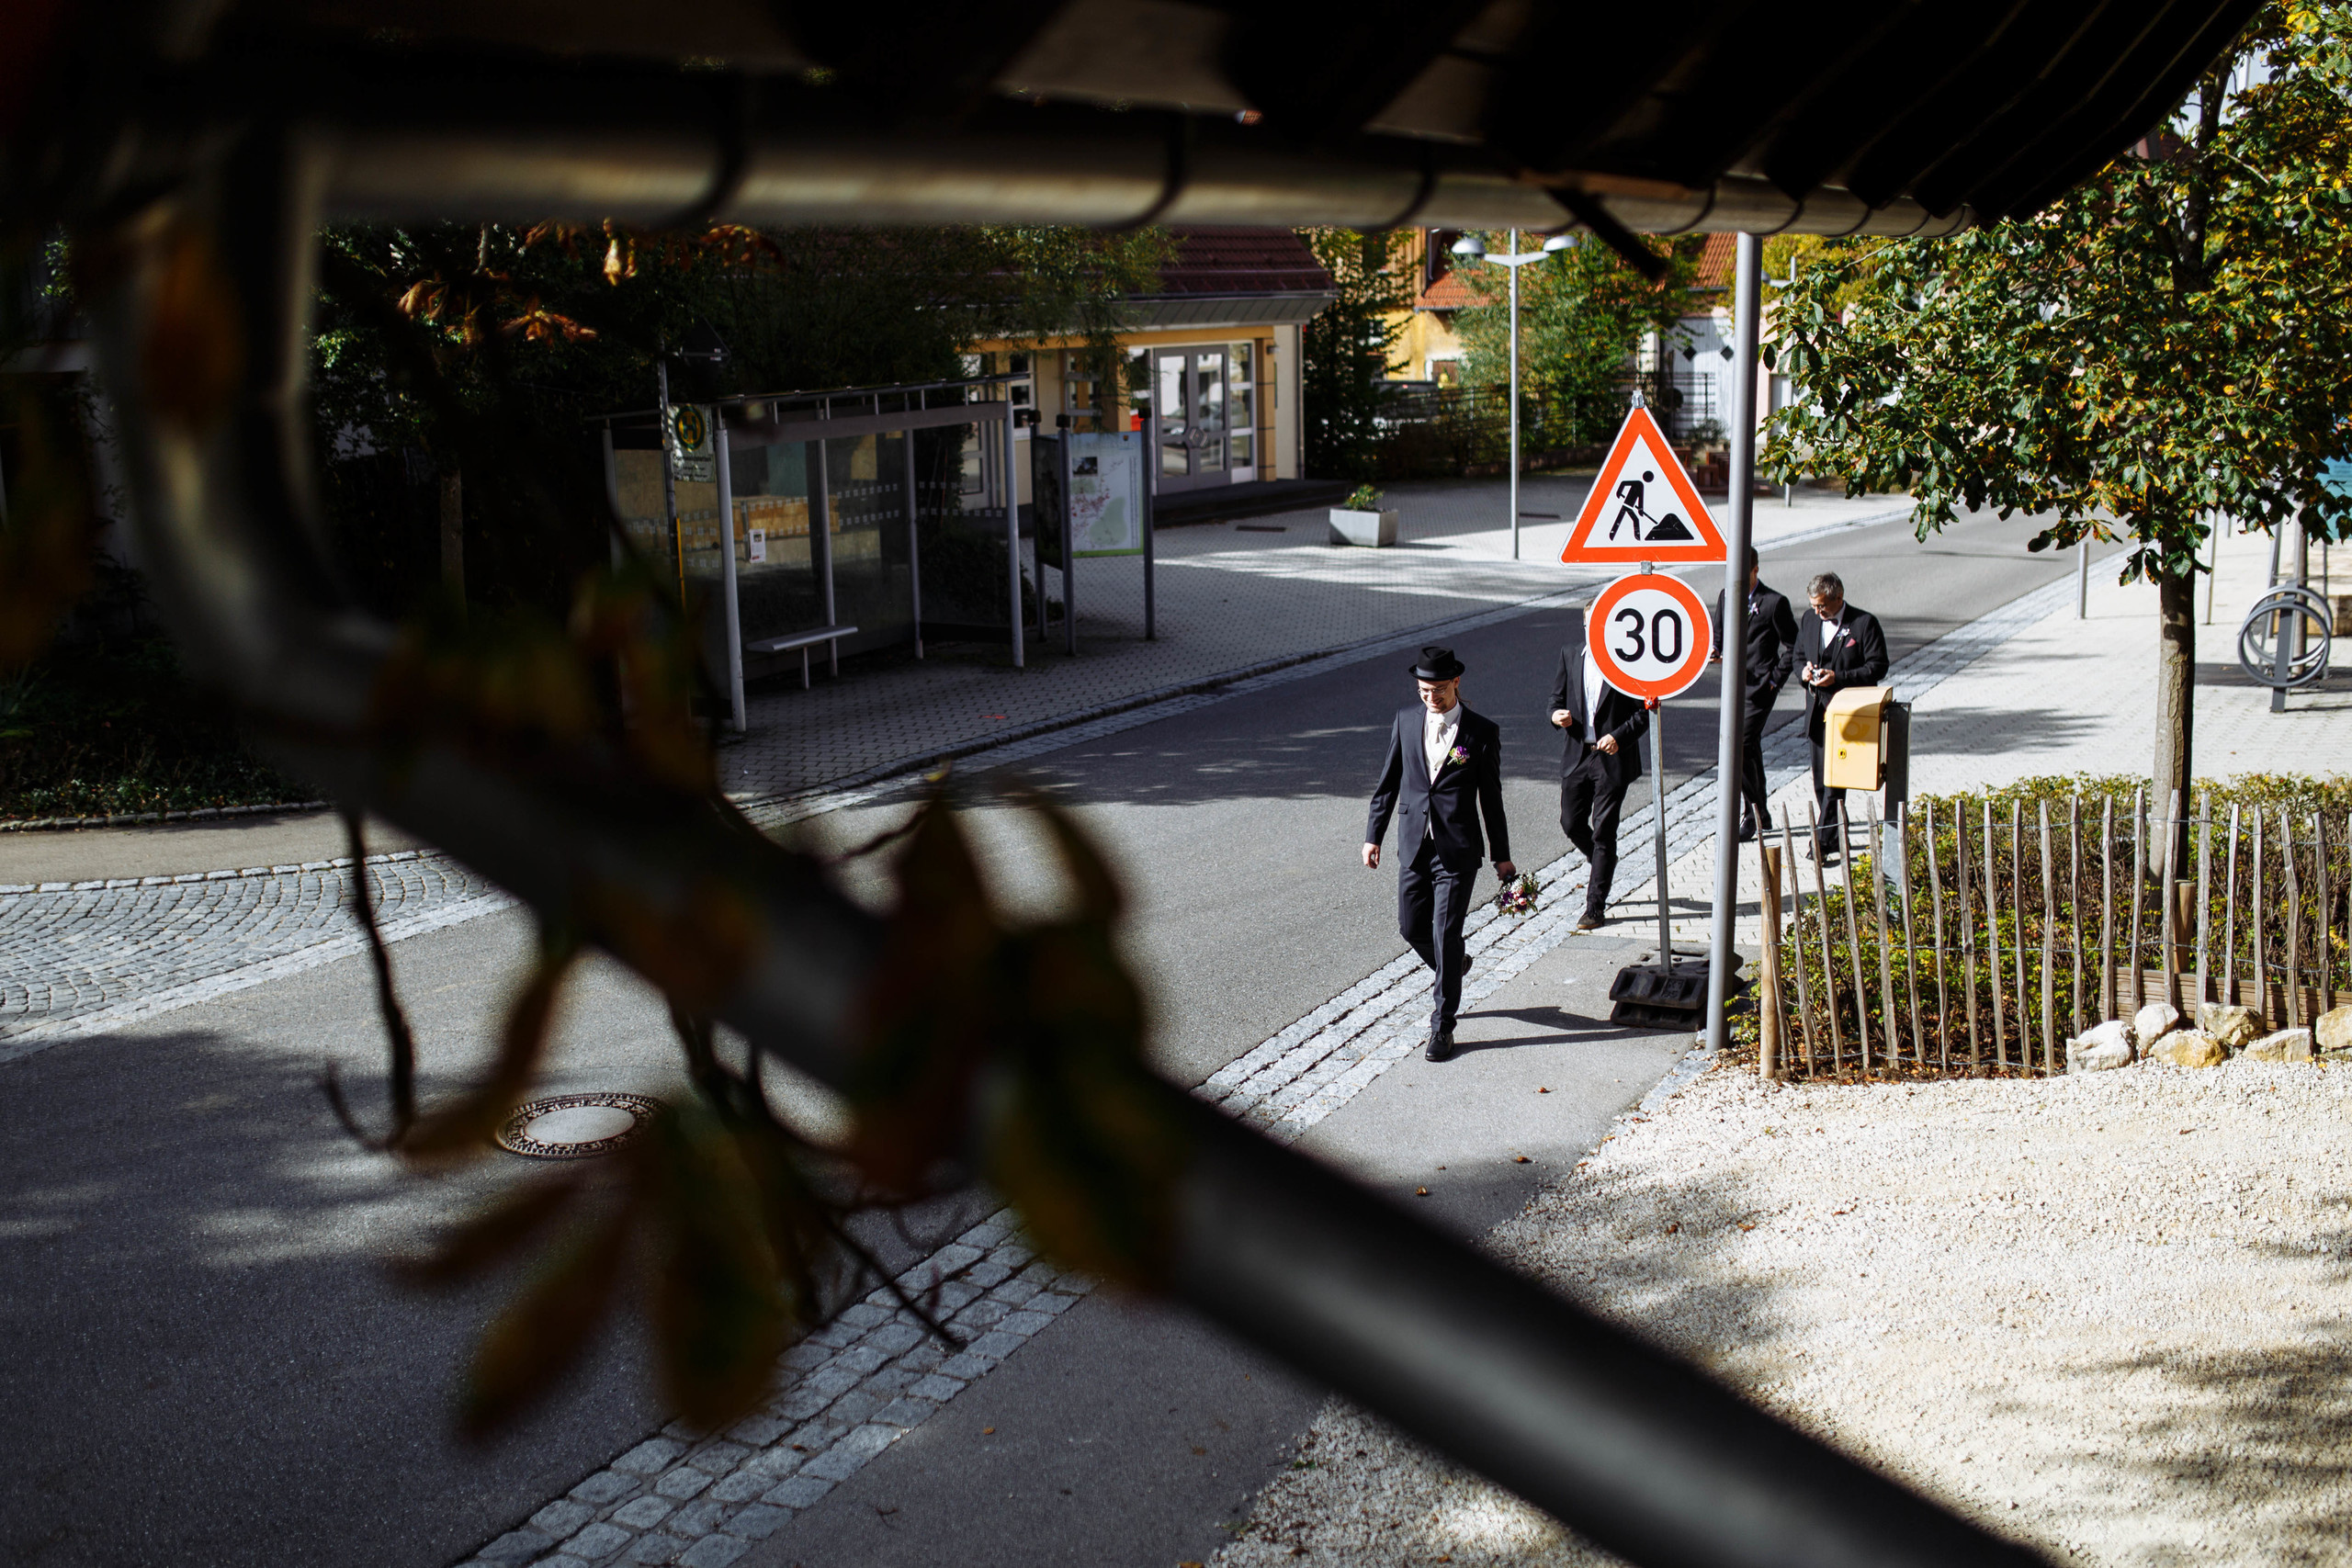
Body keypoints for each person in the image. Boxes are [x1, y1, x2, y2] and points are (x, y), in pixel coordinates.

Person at [1363, 647, 1514, 1062]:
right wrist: (1372, 836)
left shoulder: (1481, 732)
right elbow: (1388, 783)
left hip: (1458, 850)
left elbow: (1492, 799)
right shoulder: (1405, 721)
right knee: (1412, 927)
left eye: (1439, 690)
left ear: (1457, 684)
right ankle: (1455, 965)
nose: (1431, 697)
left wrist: (1502, 855)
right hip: (1414, 843)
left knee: (1445, 932)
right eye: (1423, 690)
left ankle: (1443, 1025)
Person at [1548, 621, 1646, 933]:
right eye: (1591, 623)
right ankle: (1603, 862)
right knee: (1571, 823)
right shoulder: (1570, 654)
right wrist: (1555, 716)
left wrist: (1619, 736)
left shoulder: (1626, 659)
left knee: (1604, 831)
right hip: (1578, 754)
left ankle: (1595, 907)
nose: (1595, 629)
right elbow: (1556, 700)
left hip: (1612, 758)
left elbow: (1644, 711)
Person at [1709, 545, 1800, 841]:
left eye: (1741, 573)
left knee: (1741, 743)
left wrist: (1775, 679)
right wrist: (1714, 651)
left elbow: (1793, 645)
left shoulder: (1774, 603)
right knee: (1749, 748)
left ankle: (1754, 813)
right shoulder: (1726, 596)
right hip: (1733, 685)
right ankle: (1760, 813)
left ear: (1755, 570)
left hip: (1761, 685)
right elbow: (1719, 636)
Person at [1793, 570, 1888, 853]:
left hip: (1849, 713)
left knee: (1836, 780)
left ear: (1839, 598)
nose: (1817, 611)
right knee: (1821, 779)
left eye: (1822, 605)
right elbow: (1798, 654)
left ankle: (1821, 842)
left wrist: (1839, 677)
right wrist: (1805, 672)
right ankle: (1835, 836)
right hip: (1817, 711)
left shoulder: (1863, 623)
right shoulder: (1809, 620)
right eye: (1813, 605)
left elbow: (1878, 666)